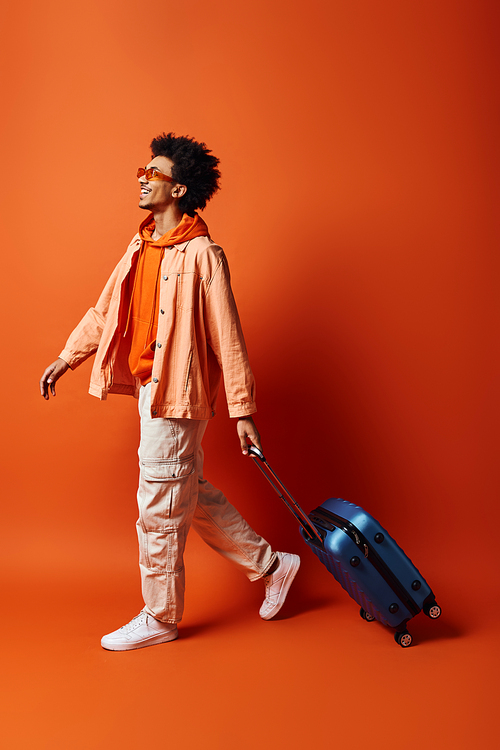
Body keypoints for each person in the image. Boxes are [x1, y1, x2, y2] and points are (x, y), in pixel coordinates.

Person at [39, 132, 300, 651]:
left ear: (177, 189)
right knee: (187, 490)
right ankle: (273, 566)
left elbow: (228, 334)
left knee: (159, 503)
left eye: (152, 173)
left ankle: (160, 615)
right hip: (148, 392)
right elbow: (105, 309)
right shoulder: (139, 246)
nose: (142, 177)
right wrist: (68, 356)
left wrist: (243, 411)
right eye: (143, 170)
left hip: (178, 394)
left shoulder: (204, 254)